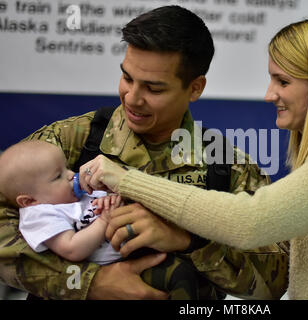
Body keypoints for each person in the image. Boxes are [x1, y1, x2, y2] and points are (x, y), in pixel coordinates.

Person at [82, 17, 308, 300]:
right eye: (127, 77)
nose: (269, 94)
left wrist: (126, 179)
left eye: (283, 81)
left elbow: (248, 223)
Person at [0, 5, 288, 300]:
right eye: (127, 78)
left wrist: (190, 241)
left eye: (154, 89)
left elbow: (274, 283)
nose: (132, 98)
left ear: (195, 88)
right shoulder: (69, 141)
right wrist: (88, 282)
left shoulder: (227, 167)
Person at [0, 140, 210, 300]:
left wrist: (110, 199)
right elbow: (72, 248)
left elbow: (102, 206)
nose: (70, 175)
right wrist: (104, 220)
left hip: (136, 246)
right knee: (178, 278)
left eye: (66, 168)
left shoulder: (71, 196)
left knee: (194, 279)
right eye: (57, 176)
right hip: (108, 269)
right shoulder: (40, 215)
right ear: (29, 200)